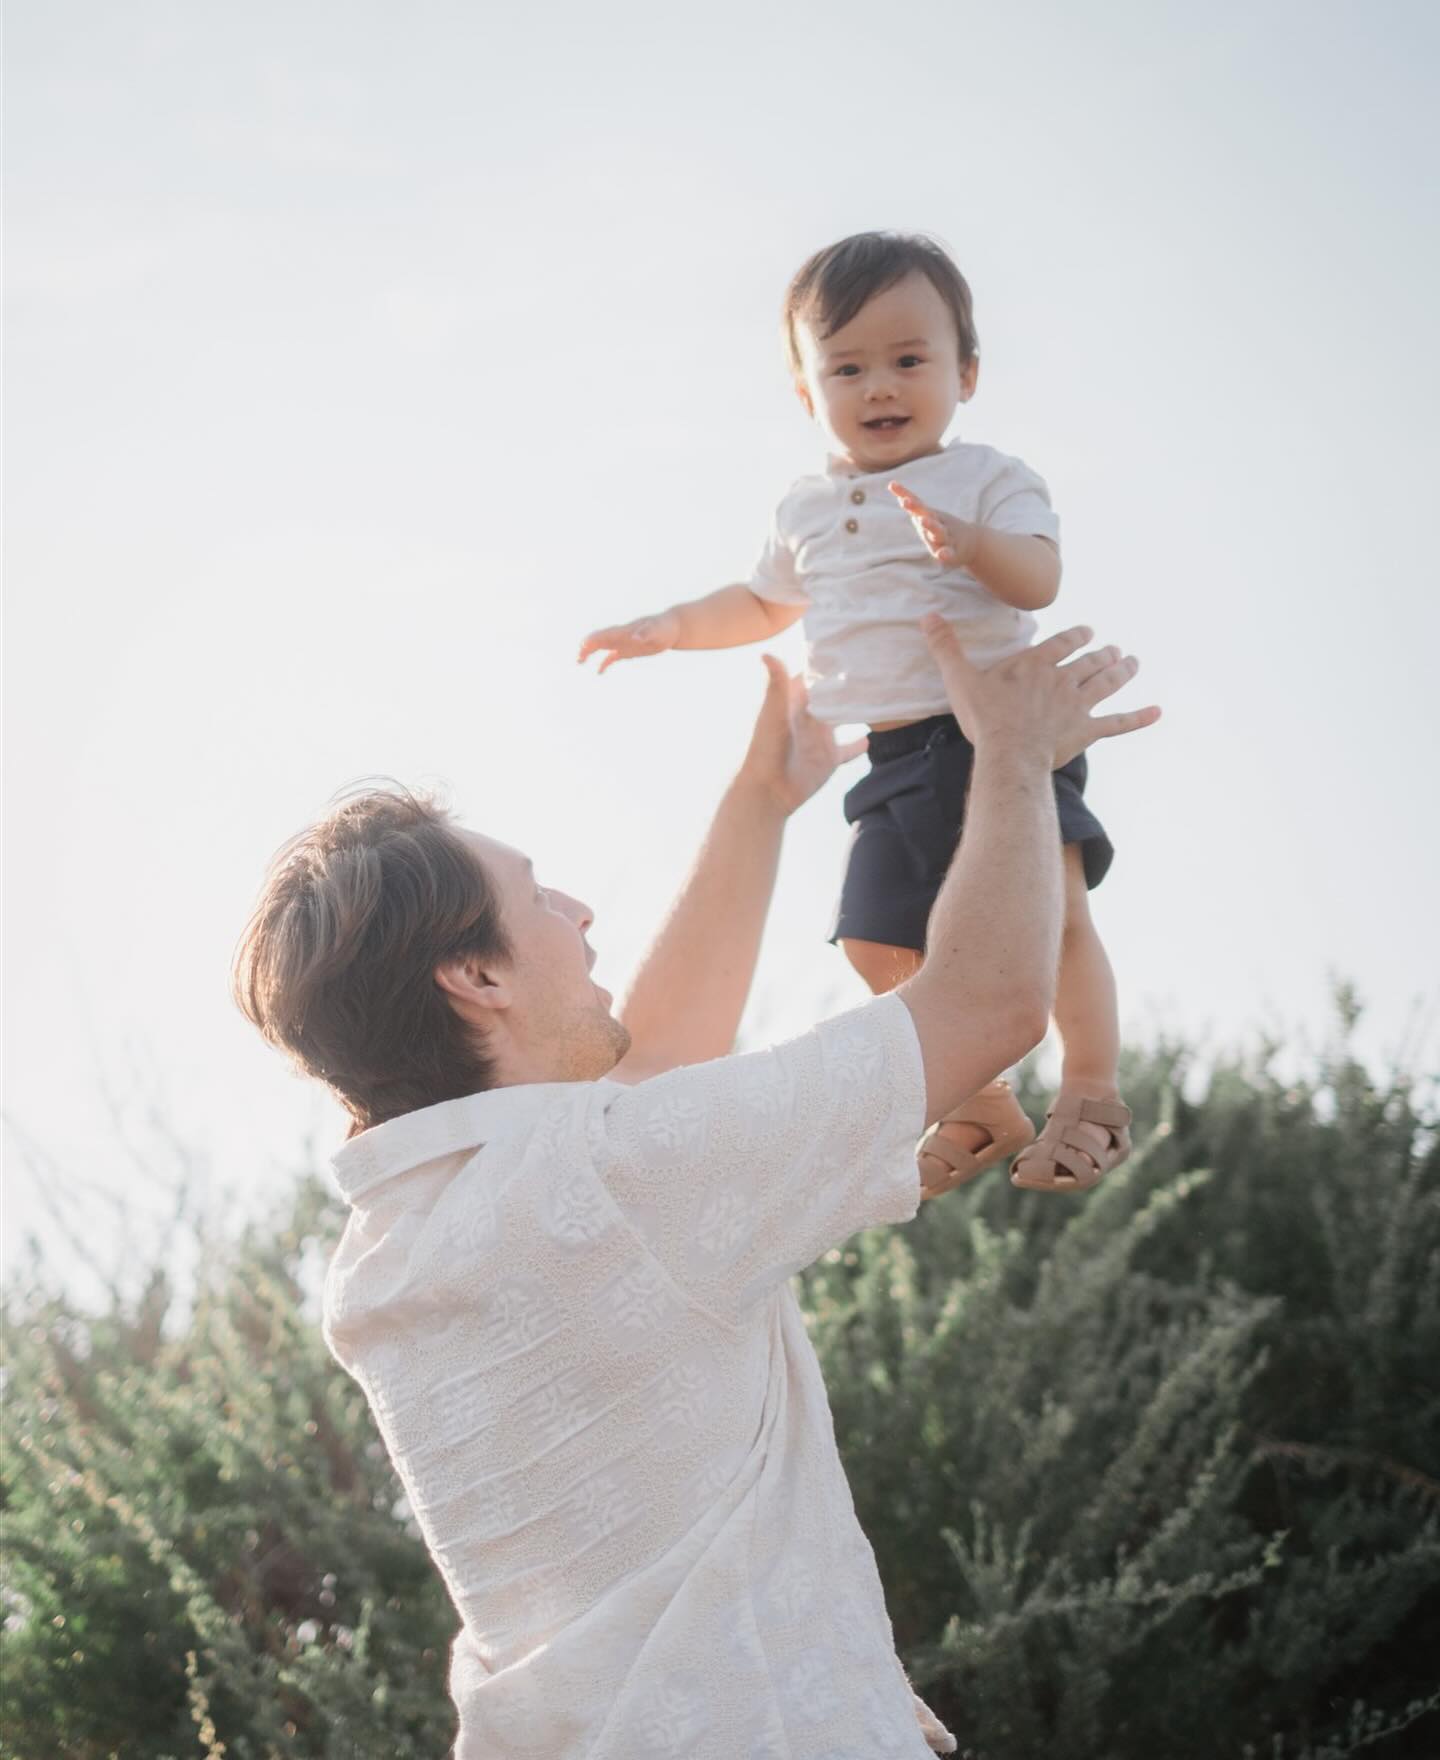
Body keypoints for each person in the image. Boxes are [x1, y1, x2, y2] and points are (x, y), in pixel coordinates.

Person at [233, 620, 1157, 1758]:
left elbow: (653, 1064)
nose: (577, 909)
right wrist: (1013, 757)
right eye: (537, 895)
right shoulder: (613, 1178)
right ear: (476, 975)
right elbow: (989, 1003)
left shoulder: (408, 1245)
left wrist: (764, 797)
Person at [579, 230, 1133, 1196]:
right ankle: (983, 1099)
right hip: (892, 754)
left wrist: (971, 547)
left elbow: (1039, 577)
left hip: (1002, 733)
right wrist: (666, 626)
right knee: (875, 936)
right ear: (807, 391)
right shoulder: (802, 511)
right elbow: (759, 604)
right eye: (848, 367)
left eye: (909, 360)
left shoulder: (989, 479)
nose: (880, 386)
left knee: (1059, 918)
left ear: (965, 372)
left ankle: (1090, 1087)